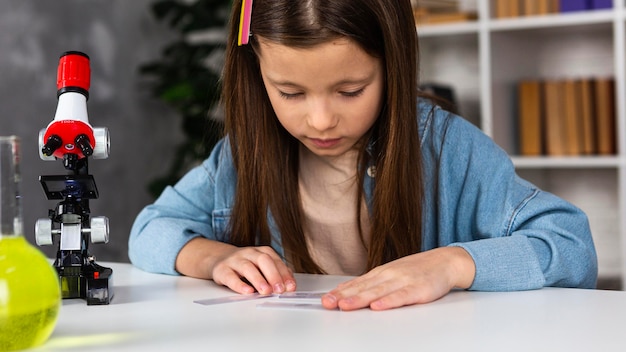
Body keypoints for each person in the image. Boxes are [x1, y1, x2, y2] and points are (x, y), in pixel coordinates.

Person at [128, 0, 598, 311]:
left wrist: (452, 265)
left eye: (350, 90)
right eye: (290, 92)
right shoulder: (240, 157)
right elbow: (150, 230)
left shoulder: (447, 149)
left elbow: (571, 246)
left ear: (392, 66)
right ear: (257, 77)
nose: (320, 120)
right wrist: (212, 258)